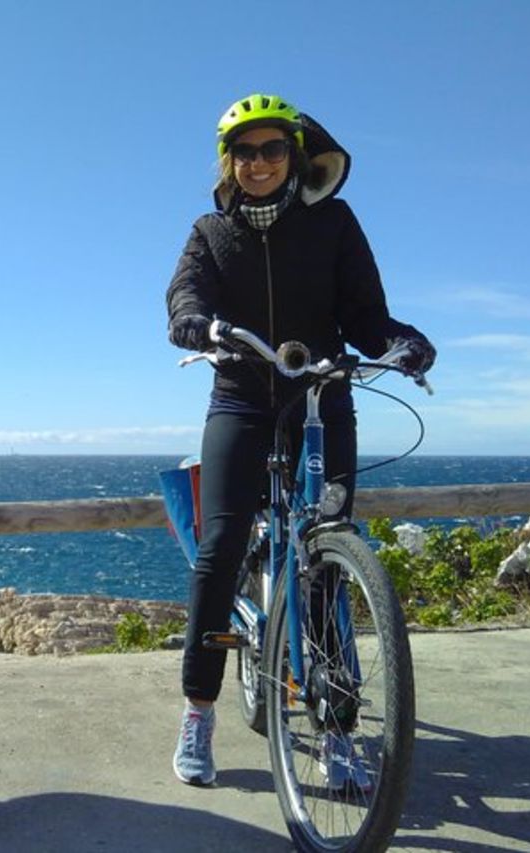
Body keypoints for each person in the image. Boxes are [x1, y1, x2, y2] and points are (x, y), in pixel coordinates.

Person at [164, 93, 434, 786]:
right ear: (228, 161)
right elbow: (184, 296)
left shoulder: (334, 223)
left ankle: (337, 724)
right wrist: (196, 322)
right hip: (242, 398)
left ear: (295, 154)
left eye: (272, 149)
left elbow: (366, 317)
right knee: (221, 546)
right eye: (244, 152)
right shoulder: (209, 232)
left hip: (321, 399)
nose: (258, 163)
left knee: (328, 556)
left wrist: (401, 341)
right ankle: (199, 710)